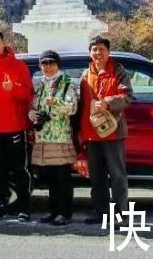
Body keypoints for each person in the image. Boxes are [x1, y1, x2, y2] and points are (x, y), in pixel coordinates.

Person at [0, 30, 34, 221]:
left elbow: (28, 94)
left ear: (4, 43)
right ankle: (1, 204)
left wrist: (14, 89)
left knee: (20, 169)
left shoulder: (18, 66)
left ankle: (24, 207)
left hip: (14, 127)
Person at [79, 36, 133, 224]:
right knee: (97, 176)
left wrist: (108, 103)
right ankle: (101, 211)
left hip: (113, 133)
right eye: (94, 49)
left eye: (101, 49)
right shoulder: (85, 75)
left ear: (108, 51)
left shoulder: (118, 71)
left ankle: (120, 214)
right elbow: (81, 105)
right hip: (91, 134)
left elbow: (127, 96)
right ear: (90, 52)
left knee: (117, 175)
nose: (97, 53)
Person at [29, 50, 78, 226]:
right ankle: (53, 211)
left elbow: (72, 107)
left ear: (58, 65)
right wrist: (33, 115)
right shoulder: (40, 85)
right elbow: (33, 106)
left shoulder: (67, 83)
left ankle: (65, 213)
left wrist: (54, 103)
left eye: (51, 63)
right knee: (50, 177)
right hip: (44, 137)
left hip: (60, 137)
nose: (48, 67)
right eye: (44, 64)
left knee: (62, 177)